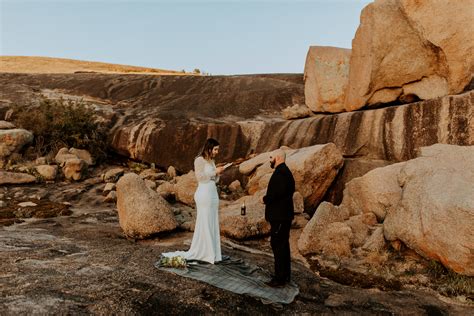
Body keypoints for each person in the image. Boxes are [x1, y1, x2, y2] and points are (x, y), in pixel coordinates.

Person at [162, 138, 225, 264]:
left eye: (218, 149)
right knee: (205, 221)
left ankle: (213, 253)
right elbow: (200, 177)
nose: (217, 152)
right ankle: (205, 253)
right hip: (204, 194)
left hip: (212, 192)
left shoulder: (211, 161)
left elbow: (214, 180)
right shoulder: (199, 160)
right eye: (215, 149)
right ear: (209, 148)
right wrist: (214, 172)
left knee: (212, 221)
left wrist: (218, 174)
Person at [262, 149, 295, 287]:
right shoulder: (285, 172)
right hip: (283, 216)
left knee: (278, 246)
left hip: (280, 217)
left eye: (271, 157)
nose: (269, 160)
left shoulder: (281, 173)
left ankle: (279, 279)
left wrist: (265, 199)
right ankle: (284, 275)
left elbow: (277, 194)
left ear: (278, 157)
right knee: (283, 245)